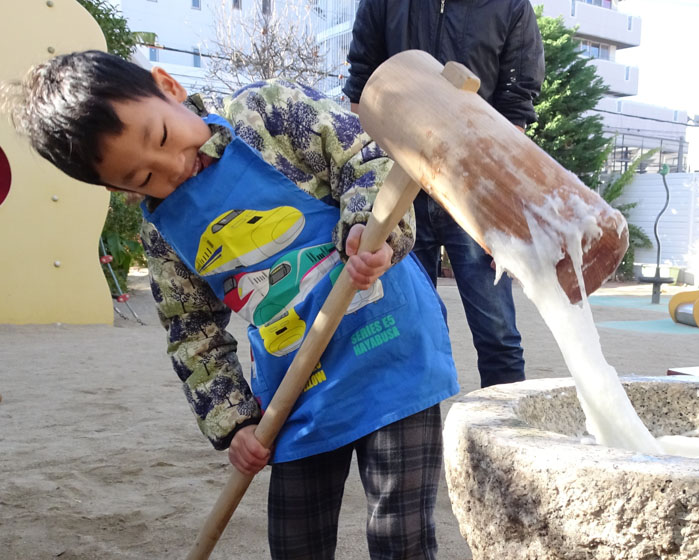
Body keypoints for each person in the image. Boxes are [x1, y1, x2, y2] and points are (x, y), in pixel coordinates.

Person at [5, 50, 459, 559]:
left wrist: (367, 227)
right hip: (298, 389)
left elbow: (365, 156)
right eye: (144, 178)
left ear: (169, 87)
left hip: (391, 352)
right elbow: (192, 332)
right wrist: (236, 422)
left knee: (401, 535)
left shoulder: (268, 113)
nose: (174, 167)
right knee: (295, 542)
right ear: (118, 187)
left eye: (162, 137)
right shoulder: (164, 234)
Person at [343, 0, 545, 388]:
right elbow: (361, 86)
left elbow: (515, 107)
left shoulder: (510, 5)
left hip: (473, 189)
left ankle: (504, 427)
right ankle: (419, 429)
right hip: (398, 183)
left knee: (498, 335)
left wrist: (501, 206)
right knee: (410, 331)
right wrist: (365, 186)